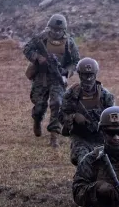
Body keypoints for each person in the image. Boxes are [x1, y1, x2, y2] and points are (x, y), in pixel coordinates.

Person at [22, 13, 80, 147]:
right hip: (41, 78)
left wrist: (67, 72)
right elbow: (27, 49)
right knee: (39, 106)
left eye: (59, 30)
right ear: (49, 28)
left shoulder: (69, 42)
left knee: (57, 103)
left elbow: (76, 61)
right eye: (54, 29)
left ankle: (54, 135)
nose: (56, 32)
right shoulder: (41, 38)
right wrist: (37, 58)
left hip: (57, 78)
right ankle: (37, 120)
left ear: (64, 30)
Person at [59, 58, 115, 166]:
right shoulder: (71, 94)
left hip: (101, 139)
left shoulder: (105, 96)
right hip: (81, 139)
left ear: (95, 74)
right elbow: (61, 116)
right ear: (80, 75)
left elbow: (113, 120)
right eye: (85, 75)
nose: (88, 79)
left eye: (91, 75)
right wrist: (73, 117)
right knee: (84, 163)